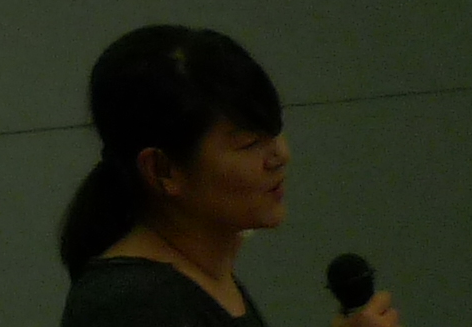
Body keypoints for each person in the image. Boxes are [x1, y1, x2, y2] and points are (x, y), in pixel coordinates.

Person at [58, 25, 400, 327]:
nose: (280, 156)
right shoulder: (130, 305)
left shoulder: (205, 278)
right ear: (163, 170)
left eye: (275, 130)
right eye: (250, 143)